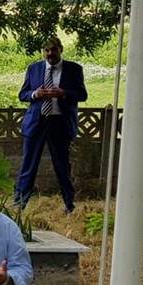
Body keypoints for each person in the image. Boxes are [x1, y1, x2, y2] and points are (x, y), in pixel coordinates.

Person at [14, 36, 88, 214]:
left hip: (60, 124)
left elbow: (82, 95)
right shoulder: (34, 68)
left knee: (62, 167)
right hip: (36, 123)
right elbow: (23, 94)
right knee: (28, 165)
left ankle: (70, 206)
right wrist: (35, 94)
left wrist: (63, 93)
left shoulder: (74, 69)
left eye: (53, 50)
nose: (50, 53)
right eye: (46, 50)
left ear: (61, 49)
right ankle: (19, 206)